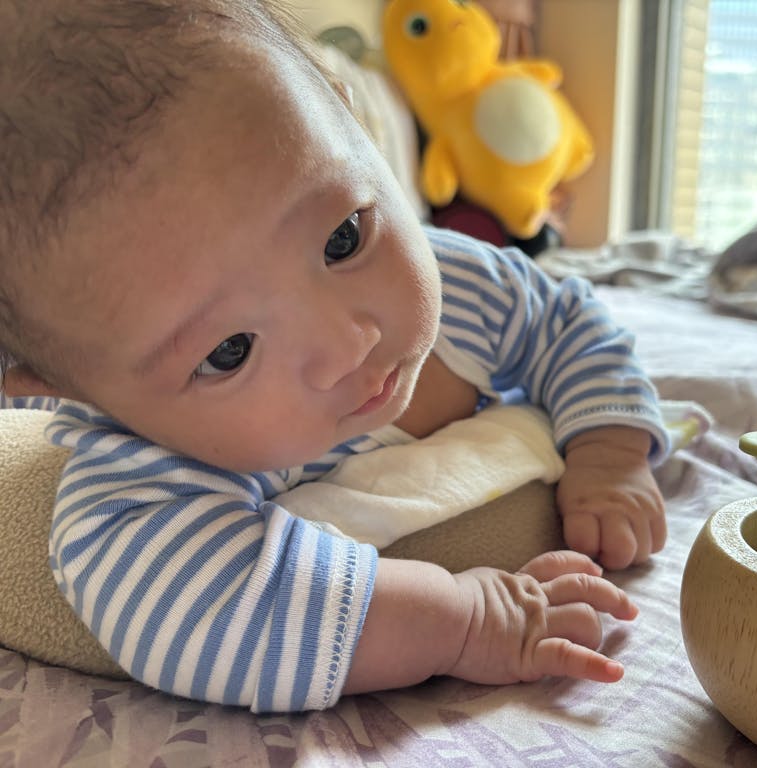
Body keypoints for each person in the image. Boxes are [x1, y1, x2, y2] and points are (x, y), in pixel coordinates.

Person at [0, 0, 675, 713]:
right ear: (81, 392)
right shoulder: (145, 471)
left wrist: (611, 450)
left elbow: (569, 321)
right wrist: (468, 618)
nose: (347, 342)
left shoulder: (462, 279)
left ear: (352, 124)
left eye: (343, 239)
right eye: (230, 351)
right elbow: (199, 608)